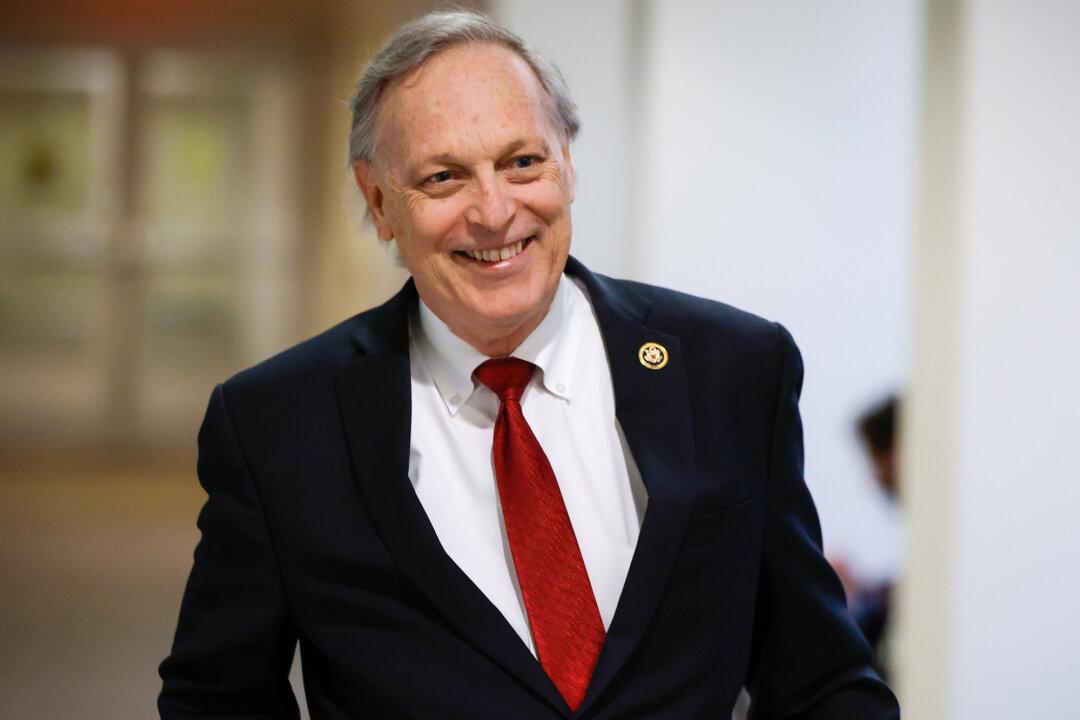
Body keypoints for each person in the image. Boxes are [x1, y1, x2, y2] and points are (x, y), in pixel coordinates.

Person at [159, 11, 900, 719]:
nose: (494, 210)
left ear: (567, 165)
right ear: (379, 201)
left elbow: (820, 678)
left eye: (521, 162)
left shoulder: (732, 370)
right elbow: (218, 699)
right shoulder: (279, 425)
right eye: (444, 177)